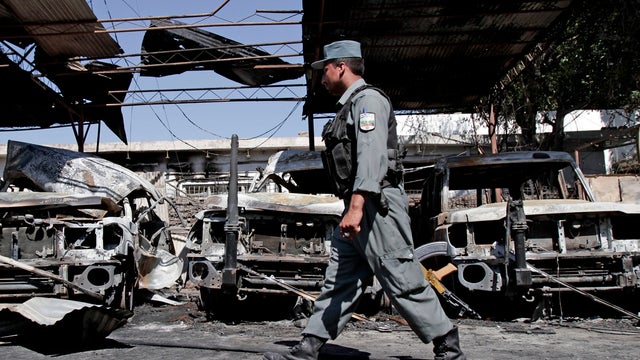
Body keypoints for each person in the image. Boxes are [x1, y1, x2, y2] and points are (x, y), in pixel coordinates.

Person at [263, 40, 466, 360]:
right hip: (359, 204)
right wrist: (353, 206)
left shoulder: (368, 100)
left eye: (325, 70)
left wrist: (356, 207)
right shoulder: (349, 105)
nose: (322, 77)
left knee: (401, 276)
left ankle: (447, 343)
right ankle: (309, 346)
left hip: (376, 204)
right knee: (340, 279)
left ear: (340, 66)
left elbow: (371, 157)